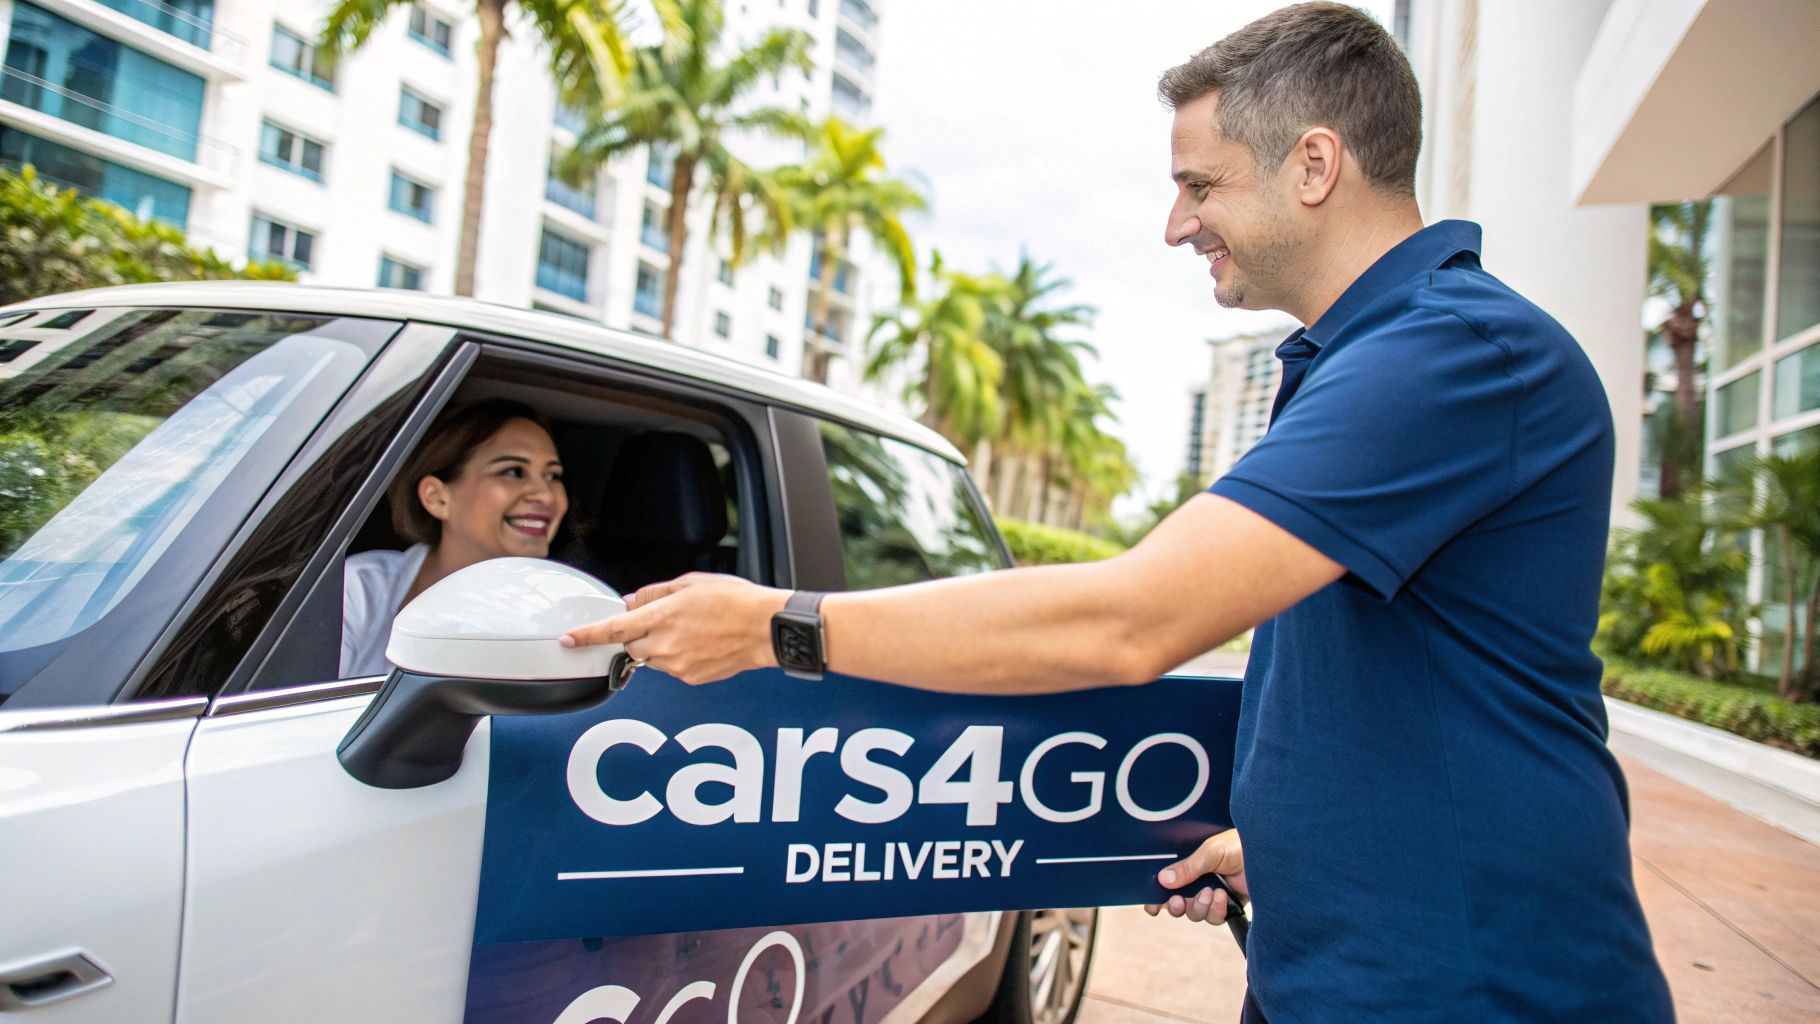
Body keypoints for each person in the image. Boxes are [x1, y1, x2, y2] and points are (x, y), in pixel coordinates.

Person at [559, 4, 1674, 1021]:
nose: (1175, 224)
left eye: (1200, 184)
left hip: (1476, 987)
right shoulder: (1363, 358)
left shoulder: (1450, 354)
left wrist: (775, 627)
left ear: (1315, 165)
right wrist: (1298, 845)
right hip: (1350, 966)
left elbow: (1129, 620)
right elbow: (1404, 678)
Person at [341, 399, 568, 677]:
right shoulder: (359, 589)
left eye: (553, 476)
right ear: (436, 498)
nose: (546, 496)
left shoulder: (562, 618)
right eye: (513, 472)